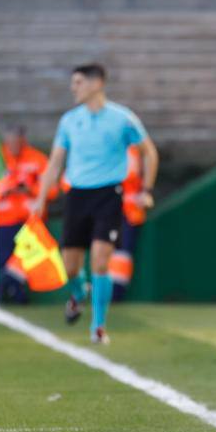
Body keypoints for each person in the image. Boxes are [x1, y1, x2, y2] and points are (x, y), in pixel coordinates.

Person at [32, 64, 158, 344]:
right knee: (71, 266)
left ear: (96, 83)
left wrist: (146, 189)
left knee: (101, 260)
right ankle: (79, 293)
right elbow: (55, 161)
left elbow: (149, 153)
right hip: (77, 195)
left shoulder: (122, 118)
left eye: (78, 82)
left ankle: (98, 326)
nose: (73, 88)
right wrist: (40, 198)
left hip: (109, 195)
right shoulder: (69, 121)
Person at [0, 124, 57, 304]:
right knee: (5, 262)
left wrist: (30, 190)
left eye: (18, 141)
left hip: (31, 221)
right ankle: (15, 296)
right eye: (11, 141)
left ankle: (5, 291)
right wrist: (4, 192)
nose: (15, 145)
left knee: (24, 261)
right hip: (2, 222)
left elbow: (53, 190)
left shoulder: (37, 159)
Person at [107, 145, 145, 301]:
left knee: (122, 254)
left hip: (128, 212)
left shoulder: (132, 150)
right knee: (107, 251)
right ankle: (108, 290)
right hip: (110, 210)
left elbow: (131, 175)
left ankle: (117, 292)